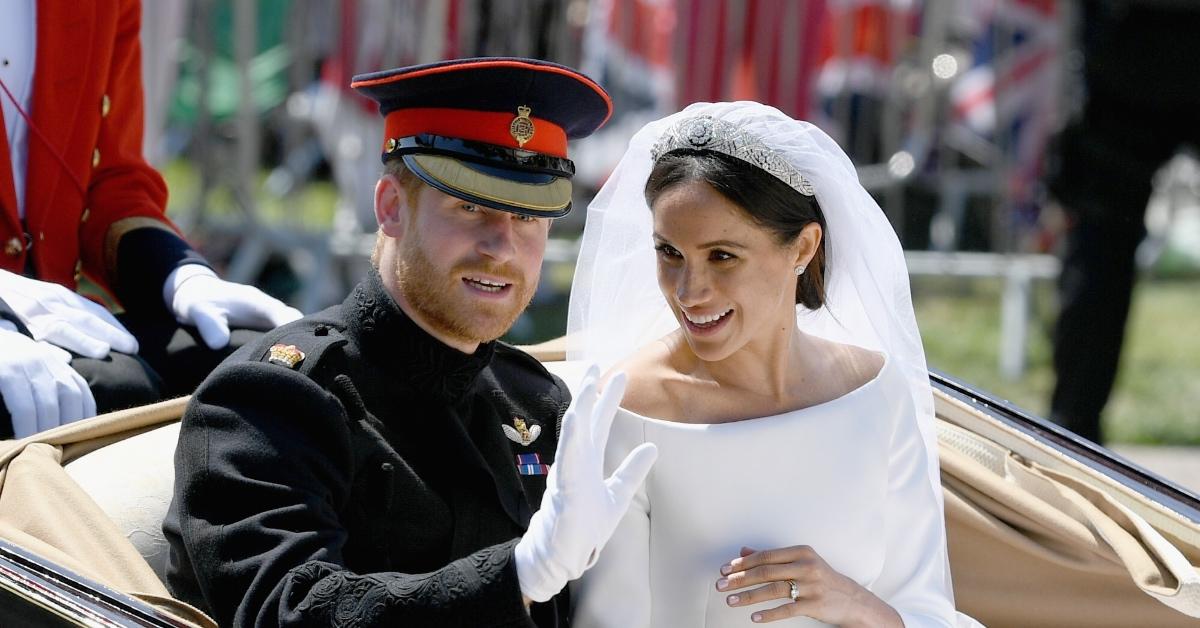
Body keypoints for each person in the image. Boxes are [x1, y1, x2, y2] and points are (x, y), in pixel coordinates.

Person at [163, 57, 658, 627]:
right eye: (470, 206)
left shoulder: (536, 404)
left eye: (528, 217)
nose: (501, 245)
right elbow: (288, 612)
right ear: (391, 208)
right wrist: (521, 574)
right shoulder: (271, 400)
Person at [566, 102, 974, 626]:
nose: (689, 291)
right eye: (670, 253)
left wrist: (853, 603)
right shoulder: (624, 409)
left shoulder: (877, 392)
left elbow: (923, 608)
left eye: (722, 256)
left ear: (802, 247)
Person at [0, 0, 301, 439]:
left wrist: (181, 275)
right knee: (121, 388)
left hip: (58, 321)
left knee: (263, 366)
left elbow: (111, 179)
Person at [1047, 0, 1200, 444]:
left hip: (1126, 40)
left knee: (1101, 239)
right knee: (1100, 236)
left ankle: (1073, 436)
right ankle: (1073, 434)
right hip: (1127, 42)